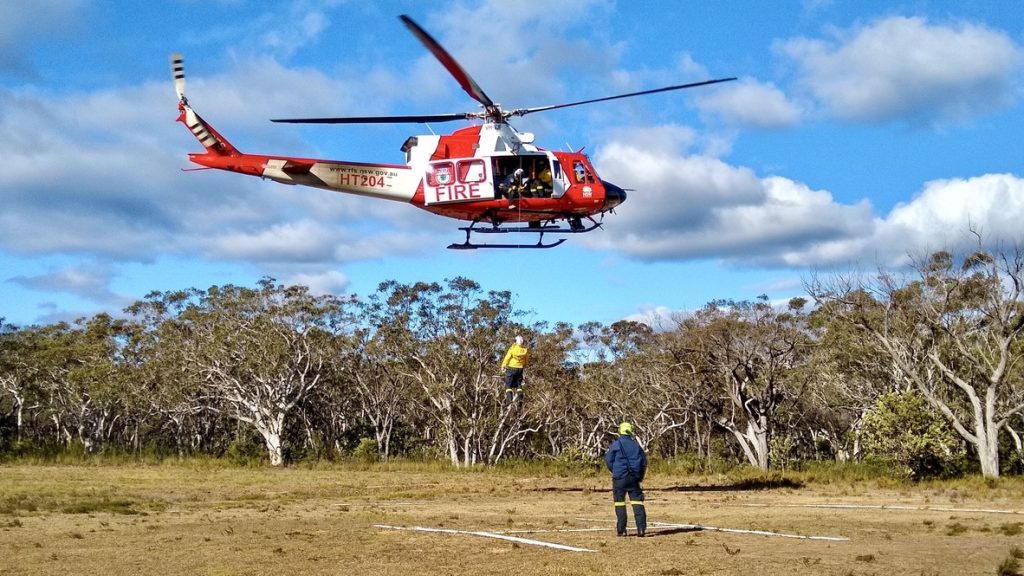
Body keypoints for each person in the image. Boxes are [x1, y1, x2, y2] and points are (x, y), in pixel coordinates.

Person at [605, 421, 647, 537]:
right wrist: (640, 476)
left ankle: (621, 530)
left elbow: (608, 460)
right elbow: (644, 462)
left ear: (620, 431)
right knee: (637, 502)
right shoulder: (636, 445)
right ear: (630, 431)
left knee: (619, 503)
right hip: (634, 478)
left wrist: (615, 471)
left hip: (619, 478)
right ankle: (641, 529)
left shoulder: (616, 444)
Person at [500, 335, 529, 404]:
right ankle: (520, 396)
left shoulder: (512, 349)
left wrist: (503, 365)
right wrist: (524, 365)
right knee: (519, 384)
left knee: (508, 385)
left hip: (511, 368)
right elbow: (526, 359)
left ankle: (509, 400)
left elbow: (507, 358)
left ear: (515, 341)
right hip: (520, 369)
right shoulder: (525, 350)